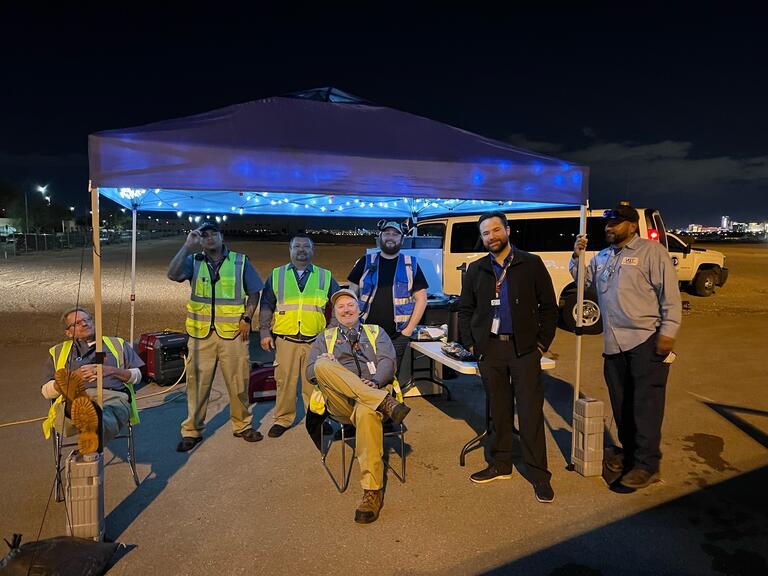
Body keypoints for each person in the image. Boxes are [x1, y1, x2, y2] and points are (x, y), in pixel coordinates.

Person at [571, 202, 681, 490]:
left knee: (645, 407)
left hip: (646, 340)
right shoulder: (603, 257)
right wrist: (577, 256)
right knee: (622, 406)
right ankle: (631, 455)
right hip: (614, 343)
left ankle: (647, 466)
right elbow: (583, 282)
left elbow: (670, 294)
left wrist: (668, 332)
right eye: (608, 223)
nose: (610, 227)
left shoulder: (651, 252)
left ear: (632, 226)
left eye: (617, 222)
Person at [457, 211, 558, 503]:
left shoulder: (531, 263)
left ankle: (539, 475)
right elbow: (465, 310)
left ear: (508, 231)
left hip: (524, 349)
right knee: (498, 412)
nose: (491, 237)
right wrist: (473, 345)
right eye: (486, 233)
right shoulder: (477, 270)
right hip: (491, 350)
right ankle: (501, 464)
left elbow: (549, 308)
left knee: (529, 414)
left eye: (496, 230)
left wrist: (541, 345)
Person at [306, 289, 410, 524]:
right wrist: (328, 363)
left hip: (369, 401)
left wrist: (373, 383)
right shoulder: (326, 337)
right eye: (340, 306)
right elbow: (310, 372)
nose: (346, 309)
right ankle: (381, 401)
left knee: (366, 410)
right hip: (341, 404)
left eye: (350, 304)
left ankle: (372, 491)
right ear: (335, 313)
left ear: (359, 309)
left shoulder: (376, 332)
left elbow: (388, 361)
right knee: (321, 364)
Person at [168, 221, 264, 451]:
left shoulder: (240, 261)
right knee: (197, 385)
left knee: (238, 382)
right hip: (201, 335)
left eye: (213, 234)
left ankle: (242, 425)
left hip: (232, 335)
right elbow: (172, 274)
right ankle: (192, 430)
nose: (209, 238)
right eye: (204, 235)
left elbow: (254, 293)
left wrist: (248, 318)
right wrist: (186, 247)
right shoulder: (193, 261)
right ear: (199, 239)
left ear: (222, 236)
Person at [258, 235, 339, 438]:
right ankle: (283, 419)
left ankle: (317, 419)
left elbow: (339, 303)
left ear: (312, 250)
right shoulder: (277, 275)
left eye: (306, 246)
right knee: (284, 382)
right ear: (290, 249)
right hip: (286, 340)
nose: (301, 249)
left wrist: (332, 331)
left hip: (316, 341)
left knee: (314, 382)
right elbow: (267, 304)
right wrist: (265, 332)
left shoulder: (325, 275)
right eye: (297, 246)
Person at [42, 307, 144, 454]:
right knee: (75, 407)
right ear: (68, 332)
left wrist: (111, 371)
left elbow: (137, 376)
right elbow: (46, 392)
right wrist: (73, 378)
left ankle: (89, 421)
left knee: (107, 413)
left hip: (112, 396)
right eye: (77, 323)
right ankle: (83, 409)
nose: (84, 324)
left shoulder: (117, 344)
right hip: (71, 399)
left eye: (87, 320)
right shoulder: (58, 352)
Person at [347, 220, 428, 371]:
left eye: (395, 234)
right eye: (387, 233)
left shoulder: (411, 264)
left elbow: (422, 299)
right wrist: (352, 326)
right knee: (365, 373)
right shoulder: (366, 261)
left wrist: (408, 331)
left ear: (402, 239)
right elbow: (350, 296)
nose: (390, 237)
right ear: (380, 237)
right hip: (365, 332)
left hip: (397, 335)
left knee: (389, 376)